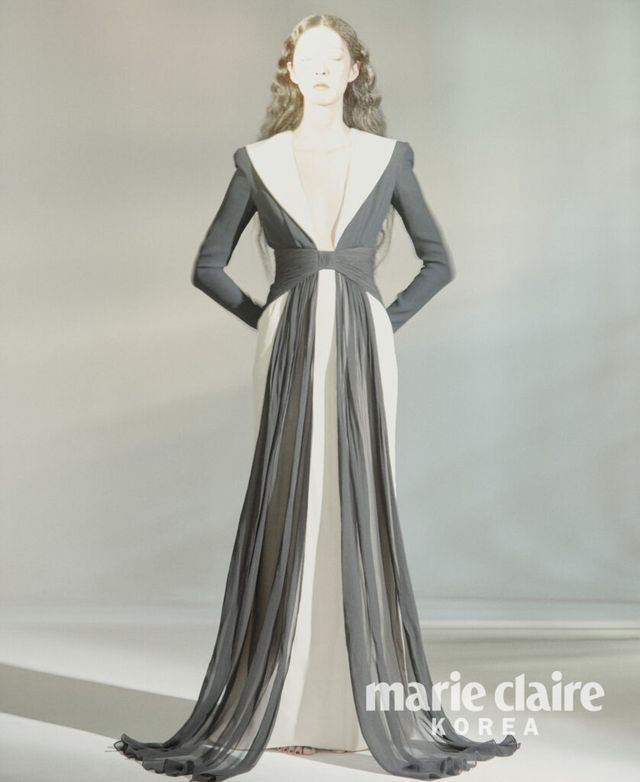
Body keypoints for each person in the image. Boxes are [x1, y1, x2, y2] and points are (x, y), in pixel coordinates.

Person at [112, 13, 520, 781]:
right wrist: (271, 318)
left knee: (356, 504)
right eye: (309, 56)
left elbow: (437, 261)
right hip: (287, 348)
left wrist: (382, 319)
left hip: (366, 346)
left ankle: (351, 712)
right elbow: (208, 265)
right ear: (291, 72)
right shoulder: (259, 161)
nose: (323, 67)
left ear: (355, 70)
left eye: (336, 56)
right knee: (290, 505)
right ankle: (288, 708)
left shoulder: (388, 158)